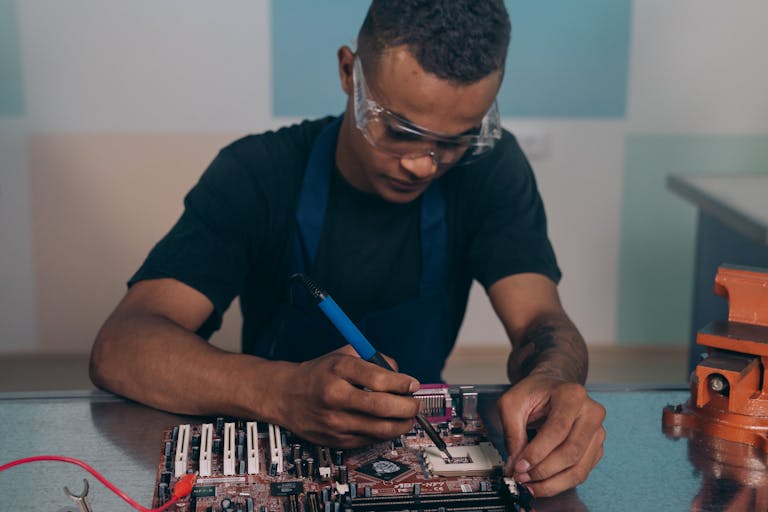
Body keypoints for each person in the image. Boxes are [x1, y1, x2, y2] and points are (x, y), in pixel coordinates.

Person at [90, 0, 605, 498]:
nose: (424, 165)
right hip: (273, 453)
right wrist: (282, 392)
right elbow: (123, 345)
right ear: (348, 73)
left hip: (415, 451)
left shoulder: (490, 170)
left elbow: (542, 319)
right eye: (402, 131)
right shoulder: (257, 174)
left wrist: (554, 379)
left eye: (455, 140)